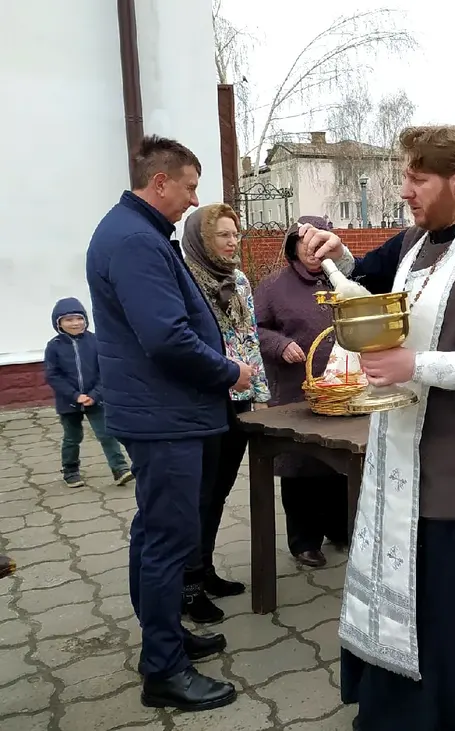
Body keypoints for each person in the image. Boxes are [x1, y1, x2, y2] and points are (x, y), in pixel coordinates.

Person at [307, 125, 455, 731]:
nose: (404, 189)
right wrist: (330, 251)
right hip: (400, 463)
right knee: (408, 599)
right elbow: (369, 273)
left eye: (417, 178)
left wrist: (416, 365)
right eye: (404, 176)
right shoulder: (416, 241)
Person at [86, 135, 251, 711]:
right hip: (164, 415)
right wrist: (229, 371)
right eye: (189, 186)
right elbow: (166, 337)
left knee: (153, 533)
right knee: (166, 540)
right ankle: (163, 669)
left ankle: (164, 639)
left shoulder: (134, 232)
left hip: (160, 411)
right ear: (160, 183)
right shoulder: (134, 240)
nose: (193, 199)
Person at [179, 203, 271, 624]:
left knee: (218, 491)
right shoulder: (186, 280)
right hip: (203, 399)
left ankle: (207, 570)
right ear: (202, 239)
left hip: (239, 397)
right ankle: (189, 587)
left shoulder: (238, 280)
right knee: (198, 495)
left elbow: (248, 336)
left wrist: (257, 392)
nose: (233, 243)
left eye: (236, 235)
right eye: (223, 235)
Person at [254, 216, 355, 568]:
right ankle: (304, 541)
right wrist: (280, 345)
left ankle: (339, 529)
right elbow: (255, 330)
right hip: (296, 392)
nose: (313, 252)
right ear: (293, 246)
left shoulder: (340, 280)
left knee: (337, 461)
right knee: (301, 466)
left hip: (340, 387)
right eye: (305, 244)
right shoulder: (272, 287)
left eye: (318, 244)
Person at [44, 297, 133, 488]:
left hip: (96, 399)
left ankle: (120, 469)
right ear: (58, 323)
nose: (75, 323)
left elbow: (105, 371)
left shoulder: (96, 341)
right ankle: (70, 471)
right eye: (68, 320)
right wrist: (76, 395)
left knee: (107, 434)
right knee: (72, 437)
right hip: (69, 401)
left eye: (79, 318)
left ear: (85, 319)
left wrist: (94, 394)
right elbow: (53, 376)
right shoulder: (54, 346)